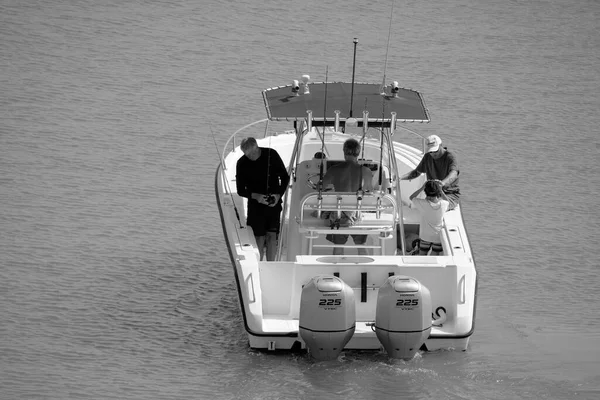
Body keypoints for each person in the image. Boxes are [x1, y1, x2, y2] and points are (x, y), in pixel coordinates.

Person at [236, 137, 290, 261]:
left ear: (257, 147)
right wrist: (257, 196)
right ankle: (259, 264)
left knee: (272, 236)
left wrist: (278, 196)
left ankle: (271, 264)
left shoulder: (272, 154)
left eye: (253, 153)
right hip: (256, 206)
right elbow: (240, 190)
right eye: (248, 155)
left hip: (273, 202)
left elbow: (285, 178)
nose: (251, 157)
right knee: (259, 237)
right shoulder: (242, 163)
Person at [321, 138, 373, 255]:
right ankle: (364, 269)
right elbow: (370, 192)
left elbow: (320, 189)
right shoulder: (366, 171)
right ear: (358, 153)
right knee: (361, 245)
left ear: (344, 151)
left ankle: (336, 271)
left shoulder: (333, 169)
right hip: (357, 215)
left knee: (338, 245)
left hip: (339, 215)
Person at [400, 135, 460, 210]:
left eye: (435, 151)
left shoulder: (450, 157)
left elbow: (454, 173)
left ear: (441, 145)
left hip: (449, 194)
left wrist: (442, 183)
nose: (433, 154)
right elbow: (416, 172)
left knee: (437, 206)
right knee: (419, 206)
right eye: (431, 151)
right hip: (432, 194)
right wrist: (400, 178)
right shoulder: (427, 157)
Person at [402, 180, 449, 255]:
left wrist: (422, 187)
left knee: (422, 255)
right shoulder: (443, 204)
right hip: (437, 237)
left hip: (425, 237)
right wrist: (441, 190)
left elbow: (412, 197)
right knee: (435, 256)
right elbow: (447, 201)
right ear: (438, 192)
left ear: (425, 192)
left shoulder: (422, 203)